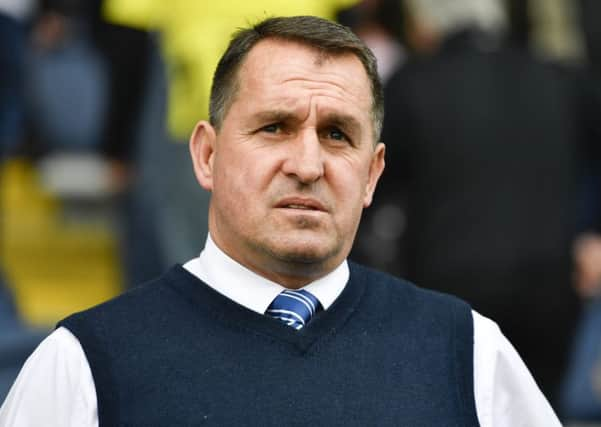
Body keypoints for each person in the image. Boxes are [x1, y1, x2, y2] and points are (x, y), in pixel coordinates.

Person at [0, 15, 560, 426]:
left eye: (338, 135)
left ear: (372, 174)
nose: (308, 164)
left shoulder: (466, 352)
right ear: (207, 156)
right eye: (274, 128)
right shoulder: (87, 366)